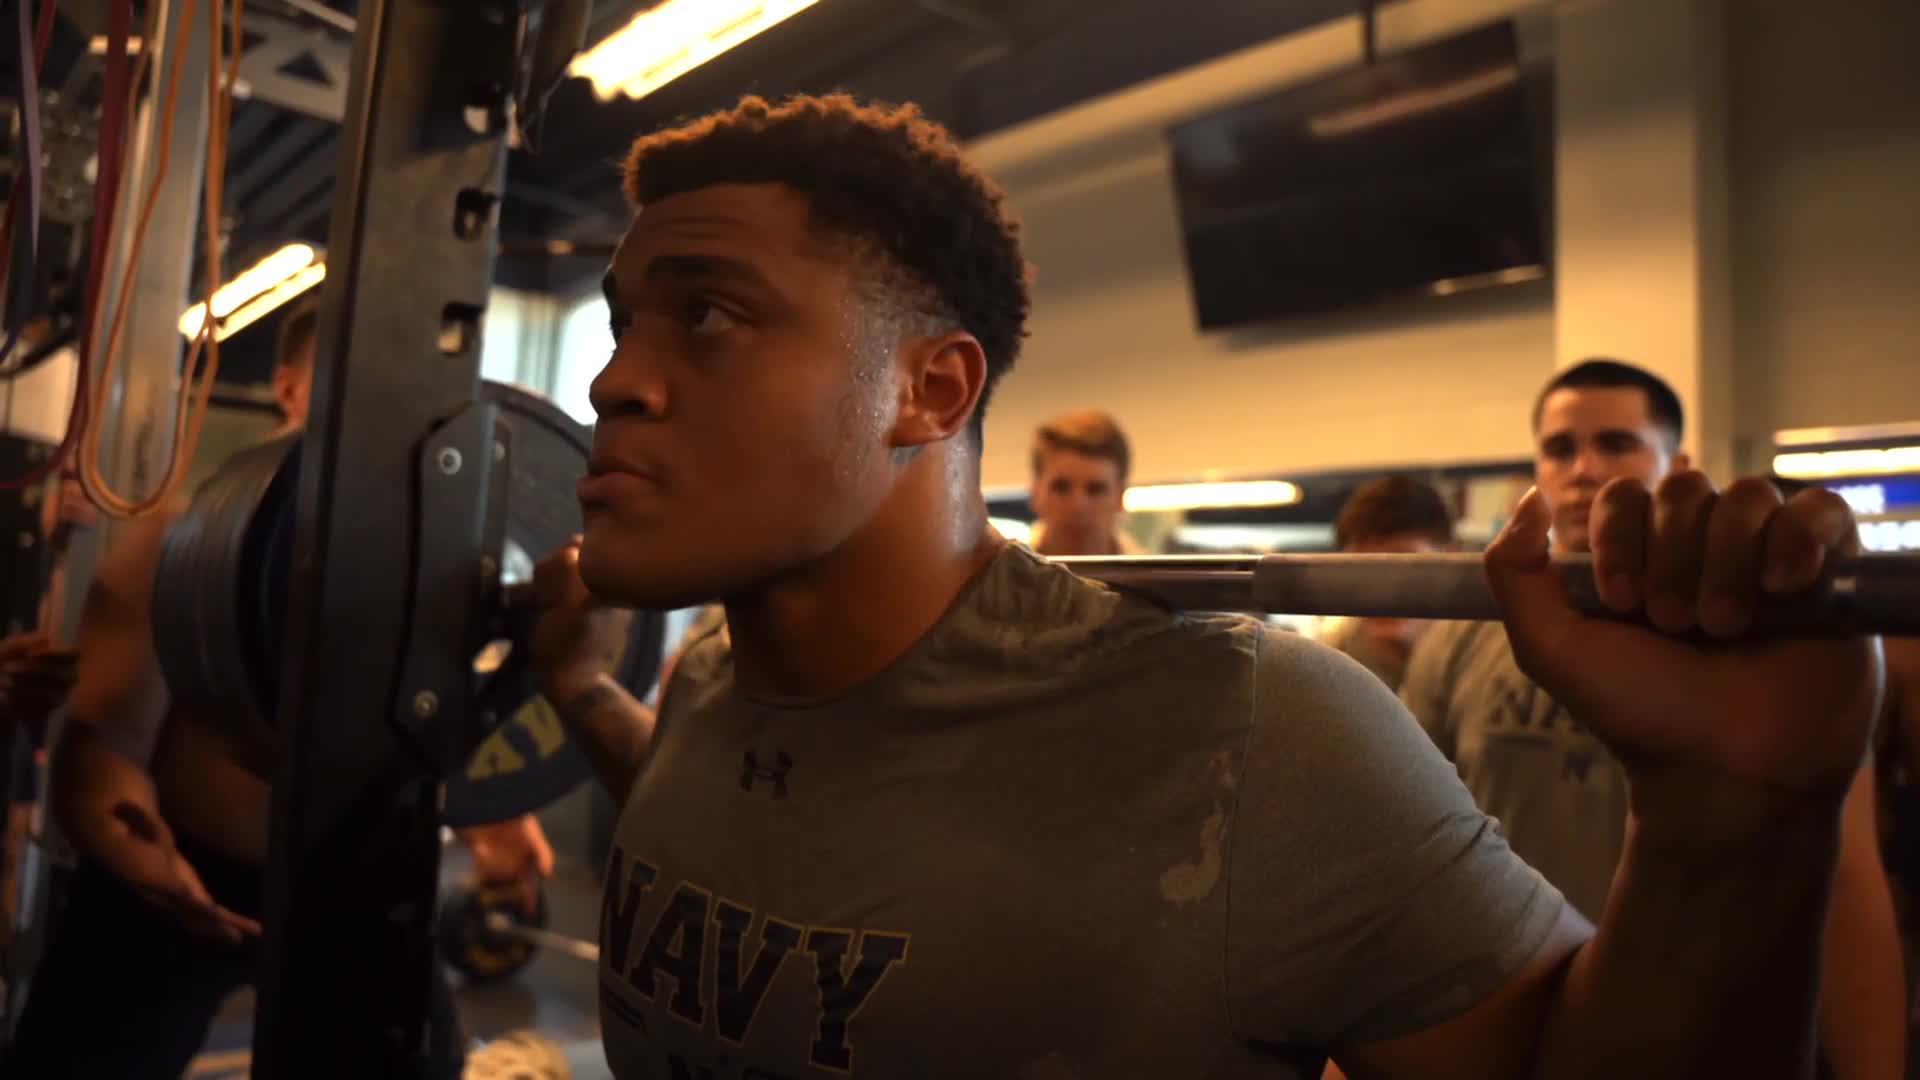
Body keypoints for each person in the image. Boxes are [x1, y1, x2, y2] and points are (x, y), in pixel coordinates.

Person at [512, 93, 1889, 1078]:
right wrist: (576, 685)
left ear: (928, 390)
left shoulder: (1248, 734)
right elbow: (785, 838)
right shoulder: (709, 677)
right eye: (627, 320)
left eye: (707, 314)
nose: (615, 376)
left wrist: (1733, 824)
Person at [0, 301, 555, 1079]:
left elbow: (437, 720)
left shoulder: (434, 570)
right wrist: (133, 847)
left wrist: (500, 814)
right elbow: (106, 741)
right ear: (289, 389)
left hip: (358, 882)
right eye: (346, 379)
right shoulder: (178, 541)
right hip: (178, 878)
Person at [1399, 359, 1905, 1079]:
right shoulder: (1461, 638)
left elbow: (1849, 884)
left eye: (1615, 443)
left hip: (1696, 1026)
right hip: (1504, 1030)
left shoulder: (1750, 637)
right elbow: (1415, 857)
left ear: (1678, 464)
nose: (1582, 468)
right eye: (1560, 448)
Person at [1316, 475, 1456, 691]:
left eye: (1403, 564)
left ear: (1449, 559)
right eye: (1361, 567)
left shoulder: (1479, 658)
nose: (1379, 588)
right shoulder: (1333, 659)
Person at [1026, 408, 1141, 555]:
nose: (1078, 506)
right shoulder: (999, 576)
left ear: (1120, 497)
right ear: (1035, 492)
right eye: (1061, 488)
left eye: (1095, 489)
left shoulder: (1156, 577)